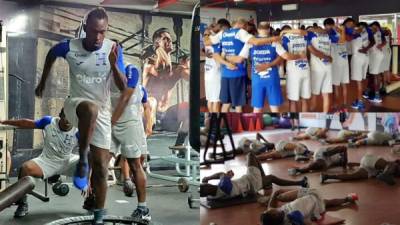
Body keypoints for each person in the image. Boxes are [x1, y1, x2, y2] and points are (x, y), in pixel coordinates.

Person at [34, 7, 127, 225]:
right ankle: (83, 158)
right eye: (94, 31)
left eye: (102, 32)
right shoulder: (69, 47)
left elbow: (123, 87)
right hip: (75, 105)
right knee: (90, 109)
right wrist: (42, 82)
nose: (98, 37)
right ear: (85, 29)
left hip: (102, 111)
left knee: (103, 167)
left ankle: (99, 216)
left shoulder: (112, 48)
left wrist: (114, 65)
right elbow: (51, 54)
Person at [0, 110, 79, 218]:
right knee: (26, 168)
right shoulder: (48, 122)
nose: (68, 121)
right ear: (60, 116)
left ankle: (92, 200)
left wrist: (88, 178)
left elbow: (88, 151)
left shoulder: (79, 129)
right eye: (66, 117)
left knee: (92, 160)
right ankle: (22, 203)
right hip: (48, 161)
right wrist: (4, 121)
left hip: (68, 160)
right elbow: (26, 123)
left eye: (71, 118)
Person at [226, 22, 307, 113]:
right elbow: (287, 57)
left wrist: (226, 57)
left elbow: (239, 59)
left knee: (257, 108)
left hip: (257, 79)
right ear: (269, 30)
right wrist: (300, 56)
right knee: (274, 107)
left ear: (258, 29)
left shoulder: (250, 43)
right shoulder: (274, 42)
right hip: (272, 78)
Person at [204, 18, 280, 113]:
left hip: (225, 74)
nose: (247, 30)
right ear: (243, 25)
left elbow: (207, 43)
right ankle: (237, 126)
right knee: (238, 105)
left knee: (226, 104)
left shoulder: (222, 33)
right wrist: (273, 38)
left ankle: (222, 125)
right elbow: (255, 42)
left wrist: (208, 32)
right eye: (246, 28)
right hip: (237, 73)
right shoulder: (241, 32)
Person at [109, 61, 153, 220]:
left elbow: (146, 107)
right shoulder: (103, 72)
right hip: (110, 123)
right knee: (100, 161)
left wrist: (149, 124)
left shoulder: (132, 72)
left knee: (135, 163)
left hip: (129, 124)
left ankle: (143, 208)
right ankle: (94, 201)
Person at [201, 152, 309, 199]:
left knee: (253, 159)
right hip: (252, 183)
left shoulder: (212, 196)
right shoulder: (224, 185)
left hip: (248, 182)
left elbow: (222, 178)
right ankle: (300, 183)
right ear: (208, 189)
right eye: (206, 186)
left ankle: (266, 183)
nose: (207, 184)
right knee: (251, 155)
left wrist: (225, 177)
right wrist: (209, 178)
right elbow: (221, 175)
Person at [141, 27, 190, 123]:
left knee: (187, 107)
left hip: (165, 115)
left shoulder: (177, 69)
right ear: (157, 43)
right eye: (165, 39)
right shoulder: (150, 65)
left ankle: (183, 135)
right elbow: (162, 68)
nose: (169, 41)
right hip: (147, 112)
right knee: (151, 102)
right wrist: (156, 49)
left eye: (170, 39)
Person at [260, 188, 357, 225]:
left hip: (308, 196)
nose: (273, 210)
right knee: (326, 202)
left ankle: (347, 199)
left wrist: (273, 195)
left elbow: (271, 205)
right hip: (315, 204)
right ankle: (347, 199)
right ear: (276, 217)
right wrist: (301, 221)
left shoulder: (272, 212)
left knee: (279, 195)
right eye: (273, 213)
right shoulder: (290, 221)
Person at [280, 25, 312, 112]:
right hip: (305, 69)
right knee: (304, 99)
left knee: (293, 100)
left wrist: (282, 68)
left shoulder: (285, 38)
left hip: (294, 72)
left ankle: (293, 120)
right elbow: (308, 53)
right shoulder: (303, 36)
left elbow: (284, 56)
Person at [346, 22, 375, 110]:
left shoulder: (354, 31)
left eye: (349, 24)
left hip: (357, 57)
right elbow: (372, 41)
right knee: (361, 80)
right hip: (365, 56)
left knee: (358, 81)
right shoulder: (367, 31)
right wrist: (366, 49)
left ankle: (360, 102)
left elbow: (349, 37)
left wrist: (351, 30)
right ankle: (360, 99)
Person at [321, 154, 400, 185]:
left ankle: (327, 177)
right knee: (392, 164)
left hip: (372, 171)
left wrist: (356, 164)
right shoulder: (394, 165)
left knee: (352, 176)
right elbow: (393, 162)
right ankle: (385, 174)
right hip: (373, 162)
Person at [324, 18, 349, 110]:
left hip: (336, 63)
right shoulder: (339, 32)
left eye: (328, 26)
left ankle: (337, 105)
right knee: (344, 84)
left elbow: (341, 41)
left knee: (336, 85)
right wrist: (341, 30)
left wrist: (342, 30)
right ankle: (345, 104)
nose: (328, 27)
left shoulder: (330, 35)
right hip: (344, 61)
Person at [307, 26, 332, 112]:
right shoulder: (327, 35)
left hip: (317, 69)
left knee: (314, 94)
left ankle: (311, 113)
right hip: (328, 67)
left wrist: (324, 56)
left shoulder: (310, 35)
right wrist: (328, 57)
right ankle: (325, 115)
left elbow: (313, 51)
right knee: (326, 94)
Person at [204, 27, 222, 113]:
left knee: (210, 99)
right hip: (215, 74)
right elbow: (218, 63)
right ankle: (215, 119)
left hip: (208, 74)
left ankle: (211, 117)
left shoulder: (206, 45)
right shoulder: (214, 45)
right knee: (216, 100)